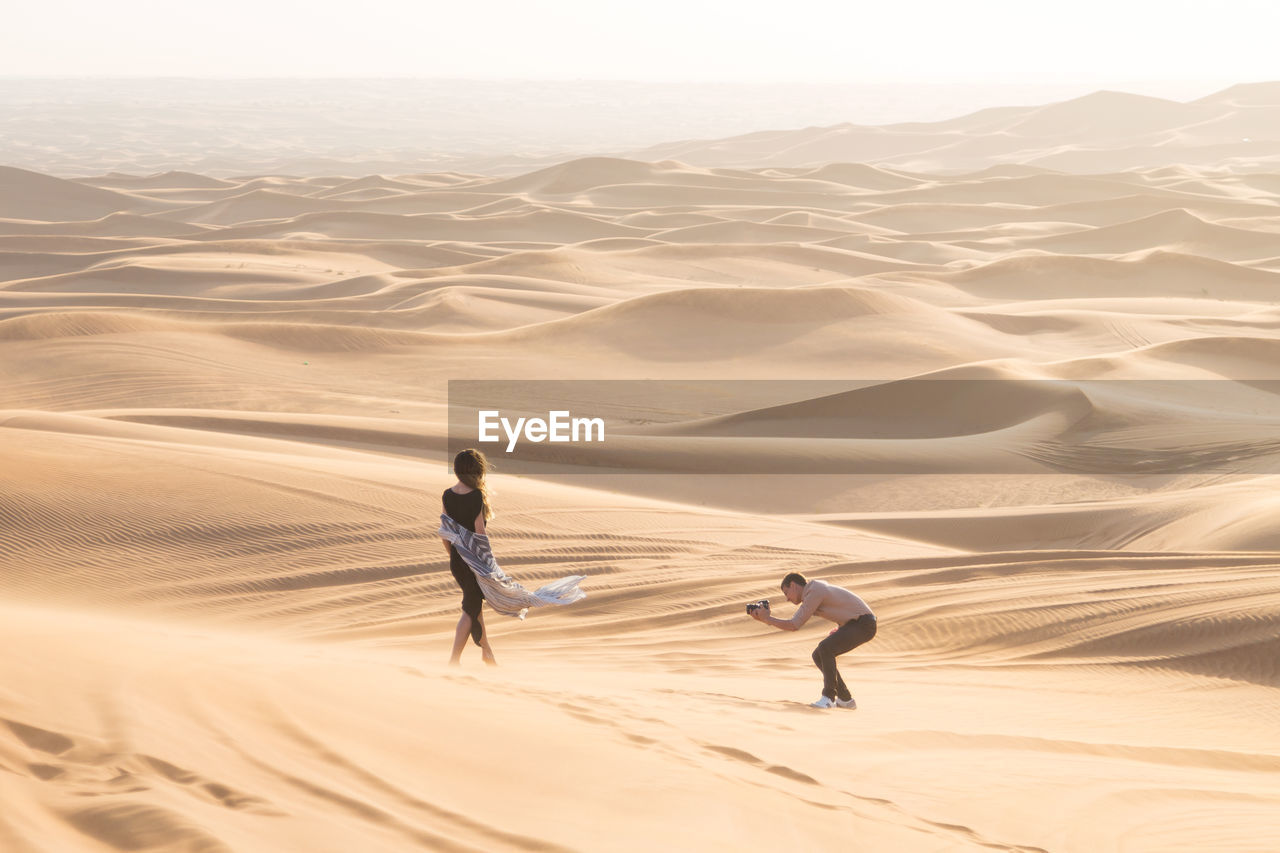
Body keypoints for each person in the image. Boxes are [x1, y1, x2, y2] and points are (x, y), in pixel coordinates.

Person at [749, 572, 876, 709]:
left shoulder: (815, 590)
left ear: (793, 585)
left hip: (864, 624)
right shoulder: (813, 591)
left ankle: (828, 698)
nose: (787, 599)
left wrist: (767, 619)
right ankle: (845, 699)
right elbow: (843, 607)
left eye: (786, 593)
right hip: (856, 624)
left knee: (825, 648)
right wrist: (841, 628)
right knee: (818, 655)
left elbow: (794, 625)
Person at [441, 448, 498, 666]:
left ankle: (487, 653)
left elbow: (444, 532)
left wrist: (454, 558)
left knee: (474, 606)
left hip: (457, 561)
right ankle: (454, 660)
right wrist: (487, 563)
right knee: (470, 609)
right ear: (478, 471)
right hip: (475, 560)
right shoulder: (476, 496)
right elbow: (479, 534)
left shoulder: (447, 494)